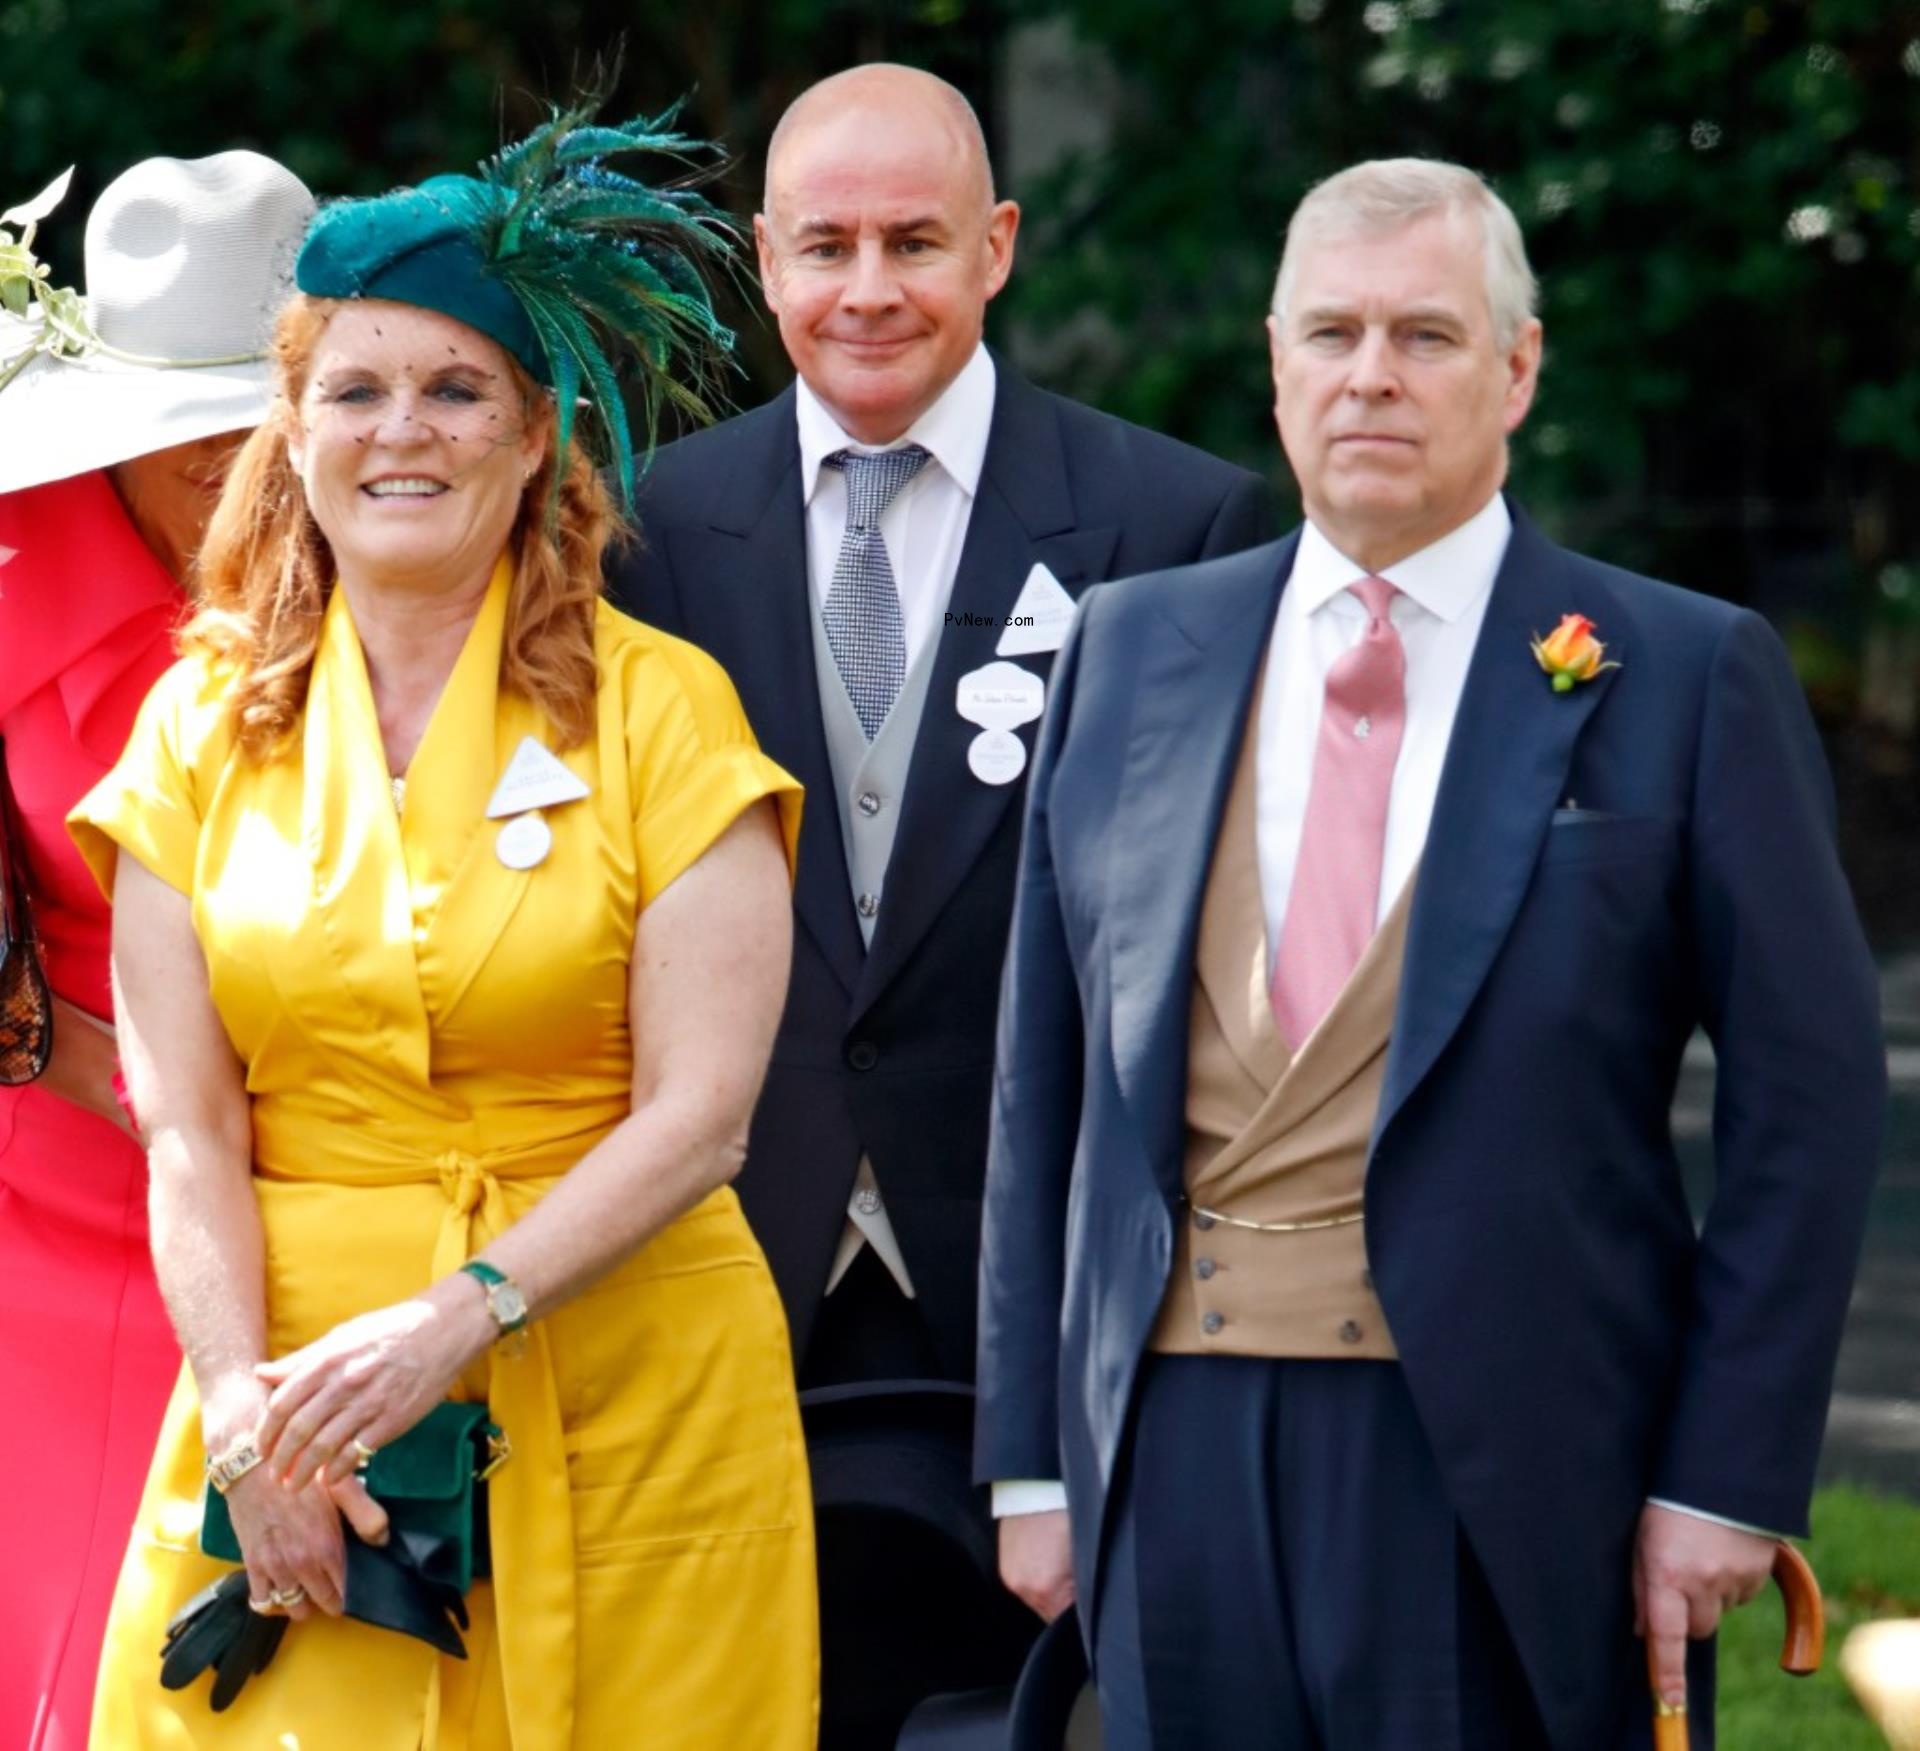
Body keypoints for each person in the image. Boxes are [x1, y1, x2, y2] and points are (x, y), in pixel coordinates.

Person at [976, 157, 1886, 1750]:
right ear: (1276, 363)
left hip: (1511, 1462)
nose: (1371, 378)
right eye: (1331, 335)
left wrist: (1722, 1477)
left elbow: (1807, 1111)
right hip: (1172, 1453)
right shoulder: (1134, 651)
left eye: (1427, 336)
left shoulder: (1680, 672)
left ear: (1519, 368)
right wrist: (1036, 1464)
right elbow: (1037, 1081)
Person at [69, 106, 817, 1748]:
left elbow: (703, 1120)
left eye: (454, 387)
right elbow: (183, 1126)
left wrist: (461, 1311)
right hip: (294, 1423)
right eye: (357, 389)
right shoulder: (196, 728)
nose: (402, 431)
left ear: (537, 431)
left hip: (633, 1391)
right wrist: (243, 1419)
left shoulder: (664, 714)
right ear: (295, 427)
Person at [607, 63, 1271, 1740]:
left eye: (916, 239)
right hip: (731, 1263)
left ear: (1000, 245)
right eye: (825, 244)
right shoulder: (651, 528)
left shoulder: (1172, 524)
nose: (870, 288)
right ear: (763, 261)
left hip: (1028, 1286)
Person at [0, 149, 314, 1751]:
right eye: (173, 413)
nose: (218, 452)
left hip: (355, 1196)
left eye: (250, 406)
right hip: (56, 1164)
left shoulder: (412, 545)